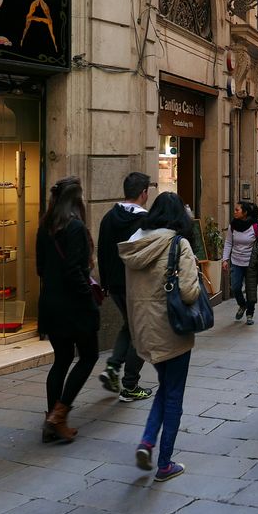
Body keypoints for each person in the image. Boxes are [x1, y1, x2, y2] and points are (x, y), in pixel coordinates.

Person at [119, 191, 200, 482]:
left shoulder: (134, 243)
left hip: (143, 330)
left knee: (165, 387)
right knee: (173, 394)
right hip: (172, 330)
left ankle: (147, 440)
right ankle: (164, 463)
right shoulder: (179, 244)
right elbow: (190, 292)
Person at [36, 176, 100, 443]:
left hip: (50, 303)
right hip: (73, 305)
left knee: (61, 360)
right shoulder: (74, 228)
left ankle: (52, 420)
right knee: (88, 356)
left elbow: (39, 268)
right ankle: (58, 415)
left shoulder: (44, 227)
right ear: (77, 200)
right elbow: (76, 271)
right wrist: (89, 300)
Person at [97, 172, 153, 402]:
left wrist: (105, 282)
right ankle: (130, 385)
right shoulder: (145, 221)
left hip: (115, 284)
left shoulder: (109, 217)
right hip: (137, 285)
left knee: (129, 326)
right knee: (141, 333)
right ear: (144, 193)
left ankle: (112, 367)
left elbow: (101, 251)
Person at [221, 201, 258, 325]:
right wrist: (225, 259)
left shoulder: (255, 227)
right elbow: (228, 243)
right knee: (236, 287)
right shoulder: (233, 226)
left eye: (237, 210)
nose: (235, 212)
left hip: (251, 263)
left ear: (245, 212)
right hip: (236, 262)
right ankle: (242, 305)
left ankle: (250, 314)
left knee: (251, 290)